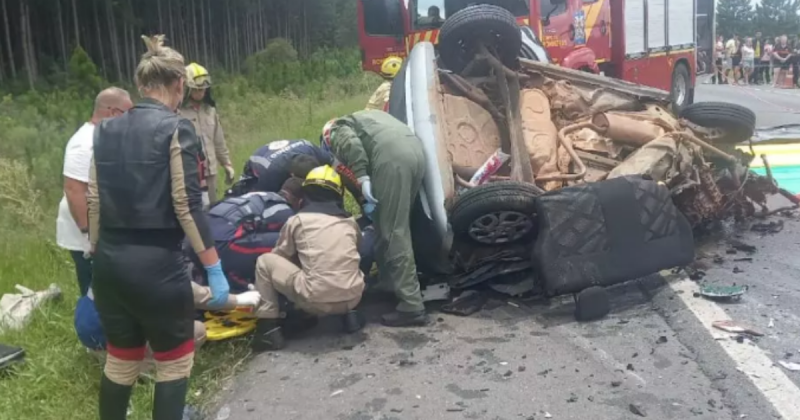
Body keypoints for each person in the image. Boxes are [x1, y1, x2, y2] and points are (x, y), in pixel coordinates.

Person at [88, 35, 229, 420]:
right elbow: (186, 205)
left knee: (121, 361)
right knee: (173, 363)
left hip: (110, 264)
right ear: (180, 85)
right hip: (156, 267)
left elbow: (94, 201)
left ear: (140, 85)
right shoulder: (177, 129)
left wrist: (96, 251)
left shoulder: (104, 130)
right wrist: (213, 267)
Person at [321, 110, 428, 327]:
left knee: (394, 232)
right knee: (386, 222)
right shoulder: (367, 117)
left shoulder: (334, 129)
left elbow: (350, 144)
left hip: (392, 158)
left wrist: (361, 174)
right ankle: (389, 282)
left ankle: (411, 305)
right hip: (414, 152)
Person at [251, 165, 366, 352]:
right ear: (338, 194)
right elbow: (355, 252)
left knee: (265, 262)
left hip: (316, 300)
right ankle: (349, 317)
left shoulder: (298, 221)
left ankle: (268, 330)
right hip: (353, 296)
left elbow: (280, 256)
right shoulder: (349, 222)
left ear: (307, 193)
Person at [56, 87, 132, 297]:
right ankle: (92, 328)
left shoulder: (105, 136)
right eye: (129, 114)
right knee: (94, 288)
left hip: (106, 228)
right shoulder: (85, 143)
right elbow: (74, 191)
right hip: (87, 235)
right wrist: (89, 235)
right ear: (113, 113)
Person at [190, 178, 303, 293]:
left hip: (194, 240)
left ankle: (209, 276)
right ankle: (242, 284)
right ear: (299, 200)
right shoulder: (284, 211)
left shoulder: (261, 195)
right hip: (221, 245)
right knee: (290, 241)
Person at [180, 62, 234, 206]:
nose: (200, 93)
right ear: (187, 89)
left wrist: (226, 163)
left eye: (203, 89)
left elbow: (218, 141)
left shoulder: (210, 111)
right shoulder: (179, 113)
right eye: (197, 89)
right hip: (190, 173)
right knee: (195, 209)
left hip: (211, 171)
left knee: (212, 207)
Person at [232, 139, 333, 195]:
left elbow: (337, 168)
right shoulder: (270, 175)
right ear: (292, 176)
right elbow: (267, 201)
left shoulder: (313, 150)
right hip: (258, 170)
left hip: (282, 155)